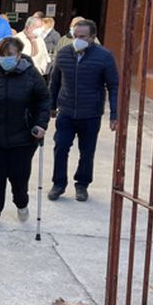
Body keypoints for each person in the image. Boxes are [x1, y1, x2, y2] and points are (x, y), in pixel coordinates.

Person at [0, 37, 50, 228]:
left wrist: (40, 123)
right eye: (2, 55)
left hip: (23, 137)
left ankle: (21, 202)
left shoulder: (32, 76)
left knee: (19, 177)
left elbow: (44, 101)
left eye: (10, 55)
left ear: (19, 55)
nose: (6, 59)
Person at [48, 19, 120, 202]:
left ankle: (82, 184)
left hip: (90, 113)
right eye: (75, 36)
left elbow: (113, 86)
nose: (77, 40)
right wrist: (51, 107)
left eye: (82, 37)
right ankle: (58, 184)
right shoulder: (64, 54)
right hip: (66, 112)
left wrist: (114, 114)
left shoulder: (104, 56)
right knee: (61, 148)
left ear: (92, 38)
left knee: (87, 151)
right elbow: (54, 82)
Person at [41, 17, 61, 84]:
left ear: (48, 24)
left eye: (43, 24)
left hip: (50, 59)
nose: (41, 26)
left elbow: (57, 47)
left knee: (48, 78)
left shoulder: (55, 34)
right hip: (42, 58)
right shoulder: (41, 33)